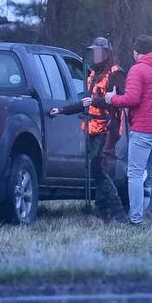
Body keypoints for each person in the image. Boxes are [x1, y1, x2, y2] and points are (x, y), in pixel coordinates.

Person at [49, 37, 127, 224]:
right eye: (94, 51)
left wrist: (96, 102)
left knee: (98, 170)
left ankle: (118, 213)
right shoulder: (93, 74)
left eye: (100, 51)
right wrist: (61, 110)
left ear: (107, 53)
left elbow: (121, 101)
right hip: (92, 129)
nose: (96, 55)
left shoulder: (116, 74)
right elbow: (85, 103)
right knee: (96, 170)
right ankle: (103, 211)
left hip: (108, 129)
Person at [105, 35, 152, 227]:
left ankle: (135, 218)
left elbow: (132, 99)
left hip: (143, 128)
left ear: (137, 52)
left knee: (135, 174)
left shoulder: (138, 70)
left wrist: (112, 99)